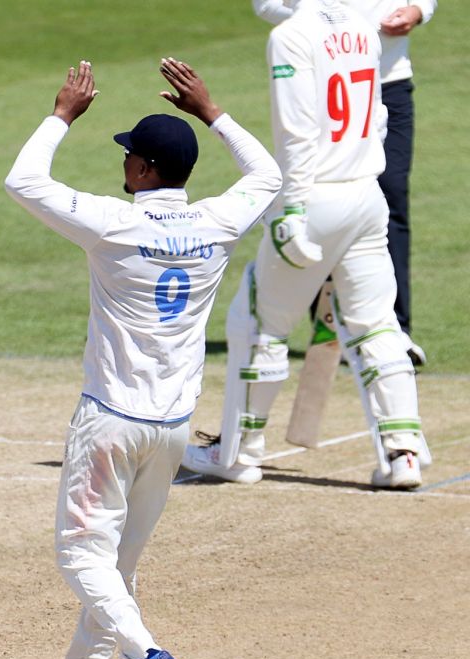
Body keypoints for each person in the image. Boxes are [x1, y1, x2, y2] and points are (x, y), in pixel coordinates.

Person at [4, 59, 280, 659]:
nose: (123, 163)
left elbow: (23, 181)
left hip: (110, 421)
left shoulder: (114, 223)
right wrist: (211, 112)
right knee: (117, 564)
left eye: (130, 155)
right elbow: (268, 174)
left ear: (146, 170)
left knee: (80, 555)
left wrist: (61, 116)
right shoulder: (217, 221)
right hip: (173, 429)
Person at [183, 0, 427, 488]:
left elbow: (296, 131)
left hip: (316, 198)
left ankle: (237, 452)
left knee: (258, 322)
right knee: (376, 323)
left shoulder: (291, 35)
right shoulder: (362, 27)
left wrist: (291, 209)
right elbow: (379, 116)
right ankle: (404, 454)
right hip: (366, 194)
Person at [253, 0, 436, 364]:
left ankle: (393, 329)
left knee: (388, 200)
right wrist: (329, 26)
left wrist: (417, 10)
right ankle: (331, 332)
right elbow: (266, 4)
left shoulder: (309, 36)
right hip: (323, 74)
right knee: (326, 202)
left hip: (384, 78)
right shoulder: (297, 35)